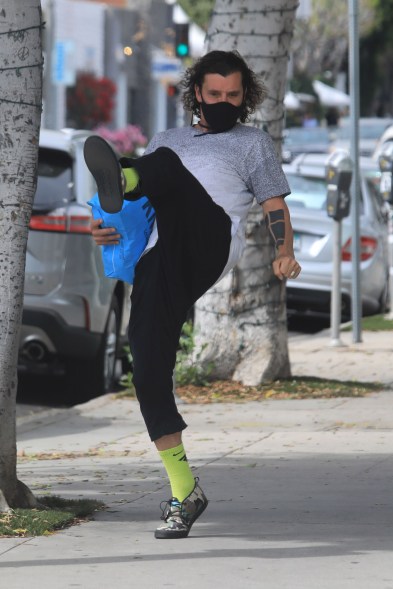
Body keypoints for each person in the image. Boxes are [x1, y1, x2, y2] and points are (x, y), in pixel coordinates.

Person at [84, 50, 301, 540]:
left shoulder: (251, 144)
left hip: (210, 239)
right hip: (160, 257)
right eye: (214, 94)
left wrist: (284, 249)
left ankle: (127, 174)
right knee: (147, 368)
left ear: (245, 98)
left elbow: (274, 204)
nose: (223, 102)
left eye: (233, 95)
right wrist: (106, 230)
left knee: (160, 165)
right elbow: (133, 219)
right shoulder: (171, 138)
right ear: (196, 93)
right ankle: (185, 492)